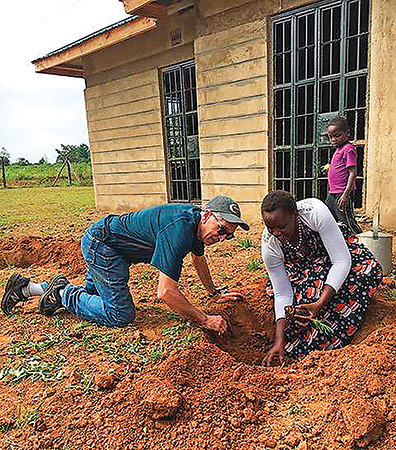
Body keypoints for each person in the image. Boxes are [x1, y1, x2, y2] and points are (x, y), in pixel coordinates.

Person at [1, 196, 249, 335]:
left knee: (91, 295)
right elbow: (165, 293)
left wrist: (214, 293)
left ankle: (26, 289)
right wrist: (204, 319)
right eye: (222, 229)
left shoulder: (195, 226)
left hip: (112, 247)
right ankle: (62, 293)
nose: (223, 237)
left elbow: (198, 258)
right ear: (206, 215)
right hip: (104, 245)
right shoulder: (180, 229)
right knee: (119, 314)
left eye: (228, 235)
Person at [261, 190, 383, 365]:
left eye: (282, 227)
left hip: (335, 254)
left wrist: (320, 303)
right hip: (302, 269)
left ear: (296, 215)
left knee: (366, 270)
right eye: (270, 228)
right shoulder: (269, 244)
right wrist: (279, 339)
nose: (276, 233)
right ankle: (304, 351)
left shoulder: (315, 212)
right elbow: (282, 293)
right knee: (299, 307)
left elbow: (341, 260)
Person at [324, 116, 362, 234]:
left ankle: (363, 245)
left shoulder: (348, 149)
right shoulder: (338, 150)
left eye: (337, 135)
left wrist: (346, 195)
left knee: (347, 222)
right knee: (328, 218)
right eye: (330, 137)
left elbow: (353, 172)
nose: (333, 139)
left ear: (347, 134)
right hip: (333, 194)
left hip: (342, 194)